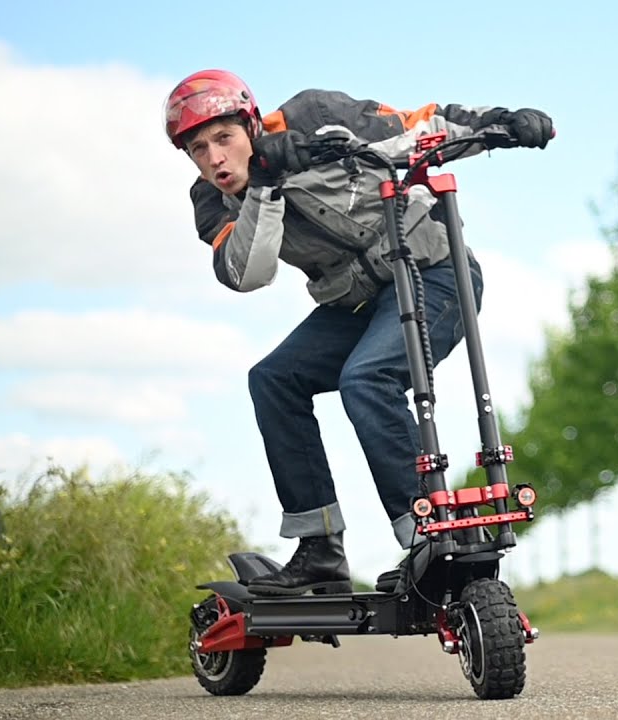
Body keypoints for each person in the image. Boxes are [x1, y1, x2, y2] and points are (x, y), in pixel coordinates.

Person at [163, 69, 553, 596]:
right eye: (198, 149)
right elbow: (247, 274)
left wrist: (502, 123)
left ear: (251, 124)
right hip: (354, 303)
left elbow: (419, 129)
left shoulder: (317, 117)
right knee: (273, 379)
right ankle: (319, 548)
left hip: (431, 271)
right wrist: (264, 185)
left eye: (224, 139)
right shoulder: (212, 201)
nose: (214, 159)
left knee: (366, 379)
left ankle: (428, 538)